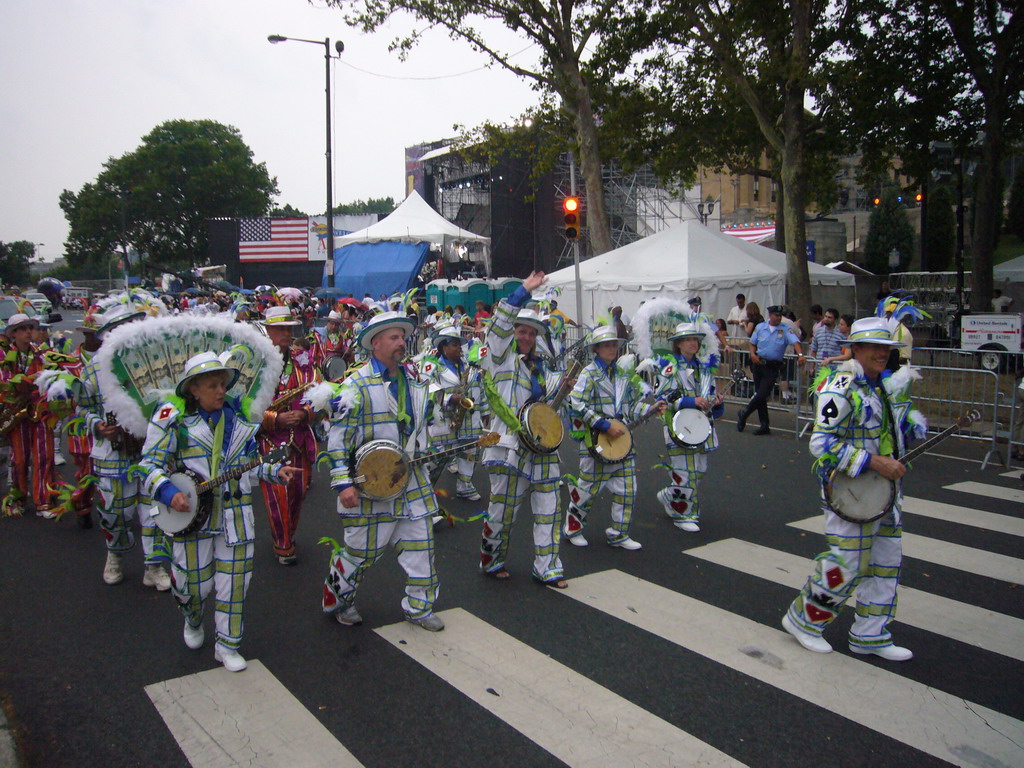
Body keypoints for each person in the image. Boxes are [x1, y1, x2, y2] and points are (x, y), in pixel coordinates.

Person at [141, 352, 298, 672]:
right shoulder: (171, 417)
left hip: (236, 519)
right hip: (190, 520)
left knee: (235, 584)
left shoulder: (240, 421)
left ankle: (227, 645)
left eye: (223, 384)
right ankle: (193, 619)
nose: (220, 391)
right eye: (212, 385)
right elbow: (147, 465)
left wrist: (274, 471)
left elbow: (250, 468)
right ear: (193, 390)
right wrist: (169, 493)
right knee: (190, 587)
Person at [782, 317, 922, 662]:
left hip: (885, 493)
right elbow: (821, 444)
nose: (880, 354)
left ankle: (870, 635)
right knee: (847, 562)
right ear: (854, 349)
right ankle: (804, 620)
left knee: (886, 563)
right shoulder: (840, 385)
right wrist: (876, 463)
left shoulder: (881, 386)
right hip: (850, 494)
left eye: (886, 348)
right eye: (873, 347)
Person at [320, 311, 445, 631]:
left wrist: (428, 443)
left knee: (422, 544)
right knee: (361, 552)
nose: (402, 342)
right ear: (375, 344)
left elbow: (422, 424)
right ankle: (338, 598)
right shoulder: (354, 385)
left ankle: (419, 606)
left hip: (411, 479)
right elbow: (337, 441)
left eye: (403, 337)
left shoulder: (415, 379)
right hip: (369, 485)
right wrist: (343, 484)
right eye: (394, 337)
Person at [479, 271, 570, 587]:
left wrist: (565, 390)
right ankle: (492, 559)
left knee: (548, 509)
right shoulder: (500, 357)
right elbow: (498, 327)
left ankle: (547, 567)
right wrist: (523, 291)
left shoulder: (542, 368)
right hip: (508, 447)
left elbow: (549, 407)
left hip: (543, 448)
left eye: (532, 333)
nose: (527, 337)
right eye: (521, 330)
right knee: (502, 512)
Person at [79, 304, 172, 587]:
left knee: (154, 509)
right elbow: (83, 408)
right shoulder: (95, 368)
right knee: (115, 512)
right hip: (113, 452)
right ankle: (115, 556)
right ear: (108, 335)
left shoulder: (158, 363)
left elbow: (171, 402)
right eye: (120, 328)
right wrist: (97, 425)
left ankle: (154, 566)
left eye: (134, 324)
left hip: (151, 449)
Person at [563, 326, 664, 549]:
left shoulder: (622, 374)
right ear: (596, 349)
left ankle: (618, 534)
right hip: (596, 441)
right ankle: (573, 528)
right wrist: (603, 424)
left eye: (614, 345)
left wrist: (649, 409)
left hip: (622, 443)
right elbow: (576, 403)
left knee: (628, 490)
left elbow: (630, 405)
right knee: (587, 490)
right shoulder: (589, 373)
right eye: (606, 345)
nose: (611, 349)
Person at [257, 306, 317, 566]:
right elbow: (242, 410)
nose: (285, 333)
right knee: (277, 493)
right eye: (279, 328)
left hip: (299, 441)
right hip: (270, 442)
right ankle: (283, 544)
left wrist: (305, 414)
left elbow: (319, 397)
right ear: (267, 330)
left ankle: (287, 533)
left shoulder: (303, 361)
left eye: (289, 328)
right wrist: (274, 419)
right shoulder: (253, 365)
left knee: (298, 492)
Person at [653, 322, 724, 532]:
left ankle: (669, 495)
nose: (692, 343)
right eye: (687, 340)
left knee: (700, 469)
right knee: (684, 471)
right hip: (678, 426)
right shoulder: (669, 366)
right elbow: (661, 397)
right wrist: (690, 401)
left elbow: (710, 393)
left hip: (701, 426)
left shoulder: (704, 367)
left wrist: (716, 402)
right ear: (678, 344)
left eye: (695, 340)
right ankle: (683, 514)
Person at [0, 314, 53, 517]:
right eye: (23, 329)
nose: (29, 332)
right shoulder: (4, 355)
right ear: (13, 333)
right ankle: (19, 497)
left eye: (30, 328)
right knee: (20, 459)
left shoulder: (40, 353)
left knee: (44, 455)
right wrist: (31, 379)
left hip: (39, 410)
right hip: (17, 412)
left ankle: (43, 500)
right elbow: (5, 382)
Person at [426, 323, 486, 500]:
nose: (459, 347)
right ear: (444, 347)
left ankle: (464, 485)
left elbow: (480, 389)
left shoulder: (470, 367)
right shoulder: (434, 369)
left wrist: (485, 412)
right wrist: (448, 399)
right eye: (454, 344)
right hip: (444, 419)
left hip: (469, 419)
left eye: (459, 344)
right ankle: (426, 488)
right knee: (437, 456)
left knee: (469, 452)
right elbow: (427, 391)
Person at [738, 305, 805, 436]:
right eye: (776, 315)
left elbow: (796, 342)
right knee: (760, 395)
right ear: (770, 315)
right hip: (758, 363)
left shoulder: (785, 329)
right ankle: (764, 425)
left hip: (773, 366)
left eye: (780, 315)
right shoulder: (761, 327)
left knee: (763, 393)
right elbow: (753, 342)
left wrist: (801, 355)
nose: (779, 318)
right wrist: (752, 354)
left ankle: (744, 412)